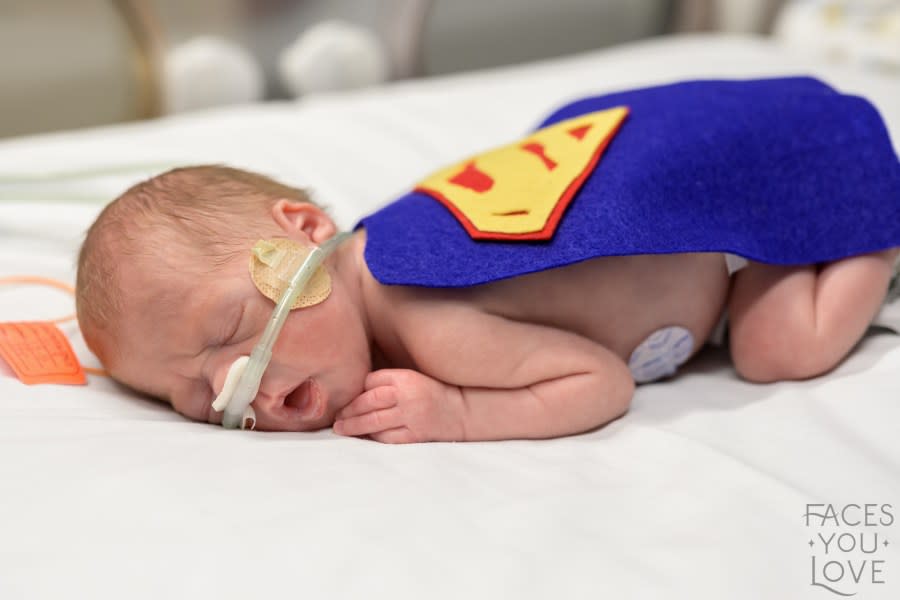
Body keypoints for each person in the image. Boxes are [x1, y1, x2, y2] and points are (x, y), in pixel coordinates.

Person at [75, 78, 900, 443]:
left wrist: (460, 415)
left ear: (302, 230)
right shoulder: (379, 261)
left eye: (229, 327)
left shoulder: (430, 318)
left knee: (775, 350)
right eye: (189, 396)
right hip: (696, 243)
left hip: (723, 240)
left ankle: (874, 222)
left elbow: (598, 384)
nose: (234, 387)